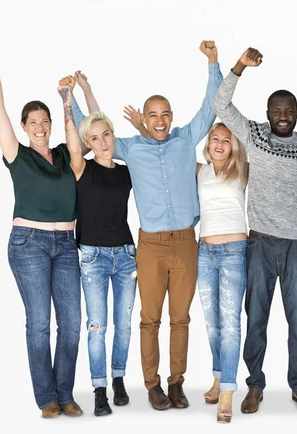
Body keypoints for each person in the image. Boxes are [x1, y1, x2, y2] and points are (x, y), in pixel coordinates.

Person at [71, 40, 223, 410]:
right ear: (145, 117)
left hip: (187, 240)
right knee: (149, 319)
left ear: (171, 117)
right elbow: (93, 129)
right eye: (152, 115)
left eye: (165, 114)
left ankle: (176, 383)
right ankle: (152, 385)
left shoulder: (186, 139)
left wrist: (214, 63)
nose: (159, 121)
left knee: (181, 318)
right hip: (150, 244)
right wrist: (70, 97)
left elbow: (212, 106)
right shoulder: (129, 148)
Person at [212, 47, 297, 414]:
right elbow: (221, 105)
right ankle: (254, 385)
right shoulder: (254, 136)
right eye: (277, 111)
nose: (284, 117)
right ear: (268, 114)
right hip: (257, 241)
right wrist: (240, 67)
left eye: (289, 111)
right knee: (255, 318)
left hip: (295, 244)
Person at [0, 35, 83, 418]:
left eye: (45, 122)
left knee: (71, 324)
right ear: (25, 127)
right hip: (29, 243)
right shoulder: (17, 155)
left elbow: (82, 143)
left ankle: (66, 392)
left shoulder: (63, 154)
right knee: (40, 323)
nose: (40, 127)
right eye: (33, 122)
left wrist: (67, 101)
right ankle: (47, 398)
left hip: (67, 243)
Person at [57, 73, 137, 417]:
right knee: (97, 325)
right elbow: (79, 134)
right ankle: (99, 388)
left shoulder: (126, 170)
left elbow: (98, 121)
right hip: (92, 256)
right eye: (95, 138)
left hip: (126, 255)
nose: (102, 142)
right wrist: (67, 102)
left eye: (107, 136)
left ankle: (119, 378)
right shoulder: (81, 168)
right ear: (88, 141)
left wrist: (89, 90)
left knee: (124, 323)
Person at [196, 123, 249, 423]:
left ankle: (227, 389)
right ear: (208, 143)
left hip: (233, 251)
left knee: (230, 322)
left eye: (225, 141)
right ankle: (218, 377)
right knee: (212, 322)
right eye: (215, 139)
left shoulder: (242, 168)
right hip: (204, 252)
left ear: (233, 146)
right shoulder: (200, 171)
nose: (219, 144)